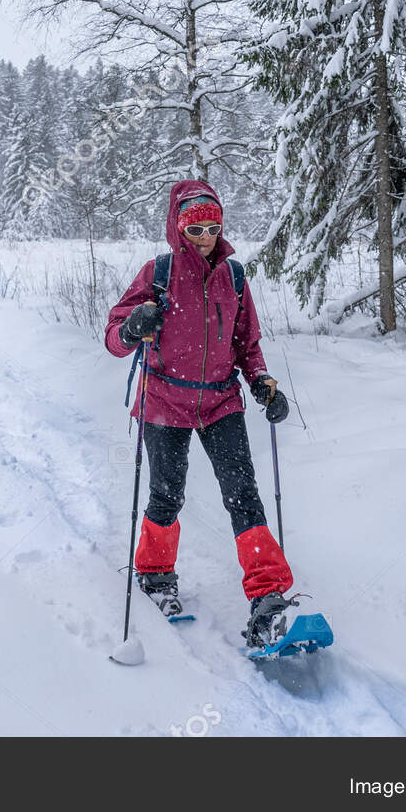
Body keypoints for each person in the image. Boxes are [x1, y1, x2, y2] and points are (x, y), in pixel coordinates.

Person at [104, 179, 297, 647]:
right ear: (178, 228)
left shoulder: (234, 276)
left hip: (220, 400)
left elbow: (247, 345)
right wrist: (133, 327)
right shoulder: (159, 272)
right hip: (165, 399)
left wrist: (262, 382)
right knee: (167, 494)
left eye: (213, 227)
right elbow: (114, 336)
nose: (206, 237)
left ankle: (268, 596)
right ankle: (154, 574)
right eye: (196, 229)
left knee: (244, 497)